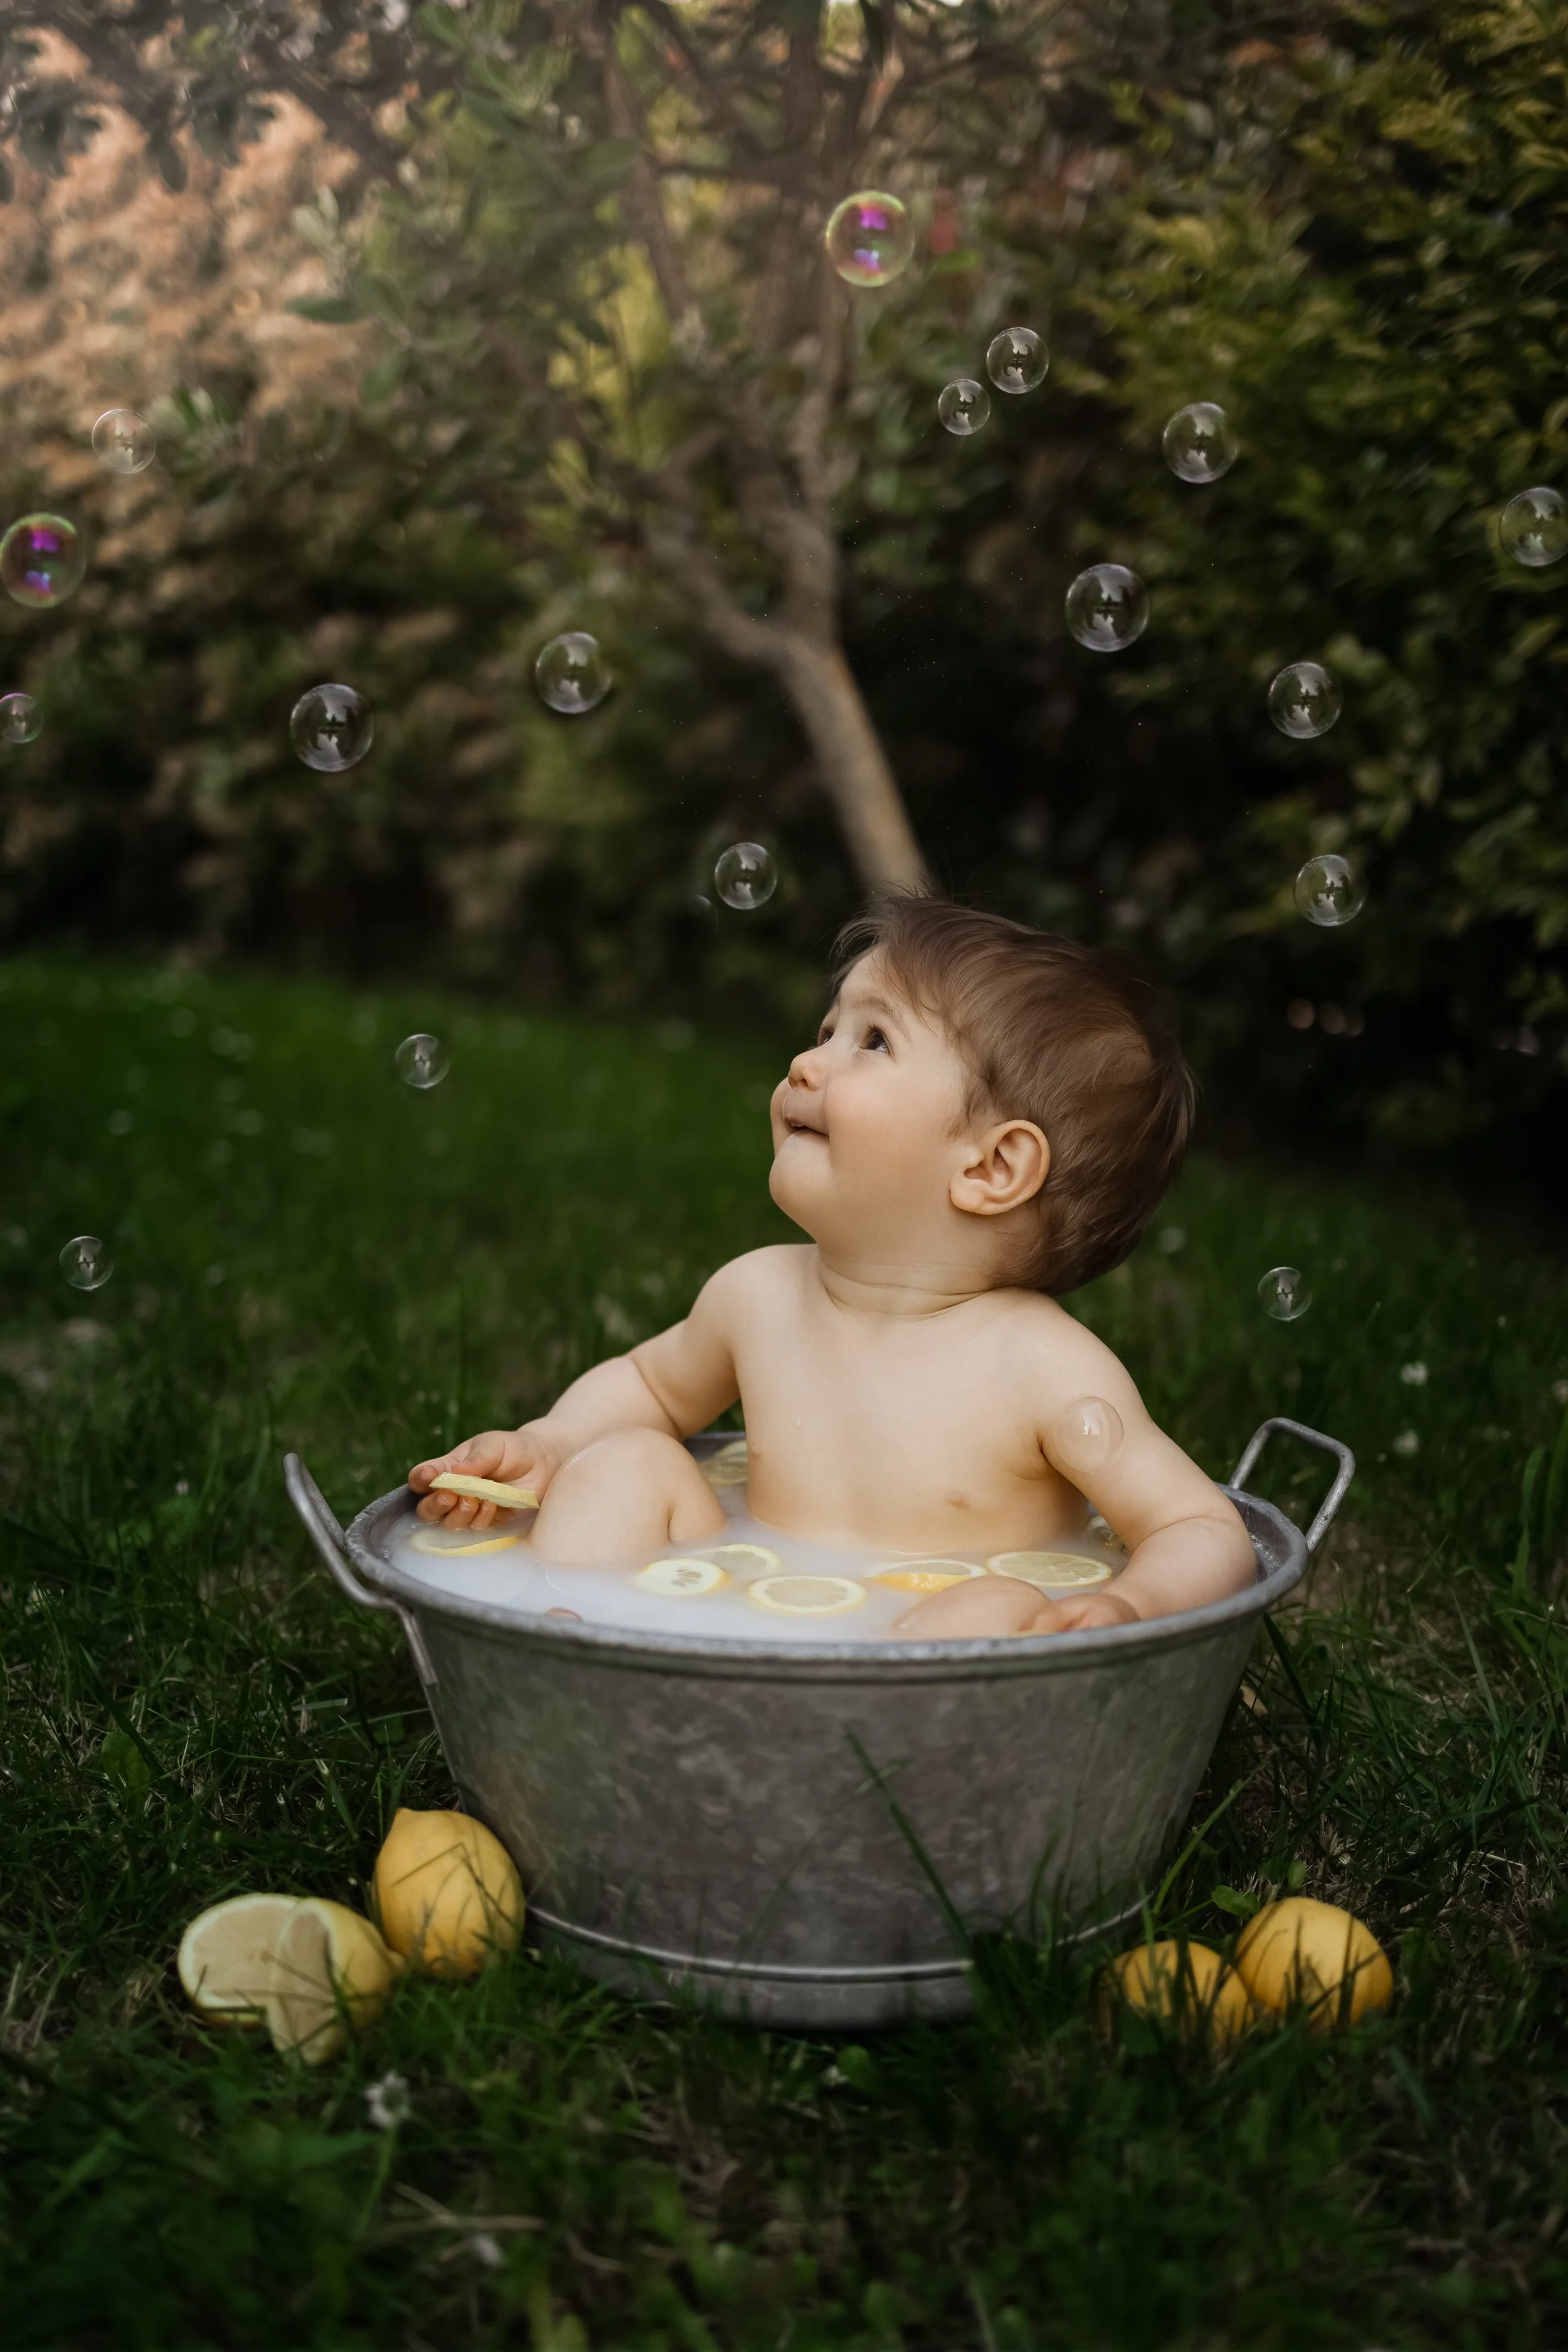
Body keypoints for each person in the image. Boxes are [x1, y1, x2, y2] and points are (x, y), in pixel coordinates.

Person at [410, 896, 1255, 1636]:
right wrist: (549, 1443)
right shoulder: (756, 1293)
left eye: (874, 1040)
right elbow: (652, 1385)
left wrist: (1131, 1606)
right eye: (828, 1031)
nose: (805, 1063)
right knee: (623, 1462)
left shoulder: (1041, 1367)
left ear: (991, 1169)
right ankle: (576, 1648)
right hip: (727, 1602)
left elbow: (1202, 1527)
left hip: (924, 1654)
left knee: (995, 1607)